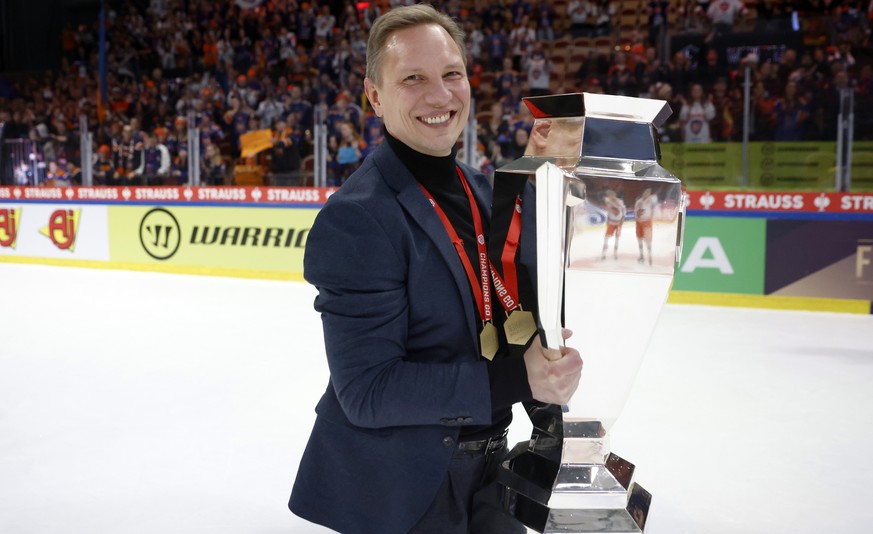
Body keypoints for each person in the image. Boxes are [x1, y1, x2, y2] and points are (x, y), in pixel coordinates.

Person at [288, 5, 583, 534]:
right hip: (404, 489)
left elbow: (522, 310)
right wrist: (520, 377)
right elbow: (368, 391)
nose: (441, 95)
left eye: (452, 74)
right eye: (413, 79)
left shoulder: (490, 194)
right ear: (375, 96)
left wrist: (569, 191)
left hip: (494, 472)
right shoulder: (357, 218)